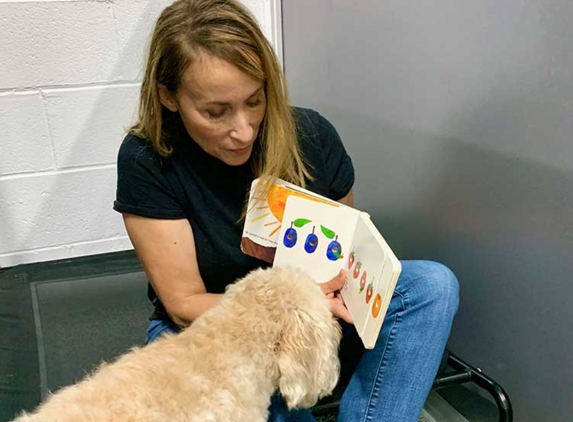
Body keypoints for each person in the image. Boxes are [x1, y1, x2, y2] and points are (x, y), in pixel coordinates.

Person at [113, 0, 459, 420]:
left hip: (315, 316)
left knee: (432, 286)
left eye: (254, 101)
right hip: (212, 327)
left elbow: (345, 253)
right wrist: (292, 311)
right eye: (215, 113)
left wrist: (332, 297)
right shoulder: (147, 159)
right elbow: (183, 304)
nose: (242, 131)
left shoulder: (312, 135)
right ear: (169, 97)